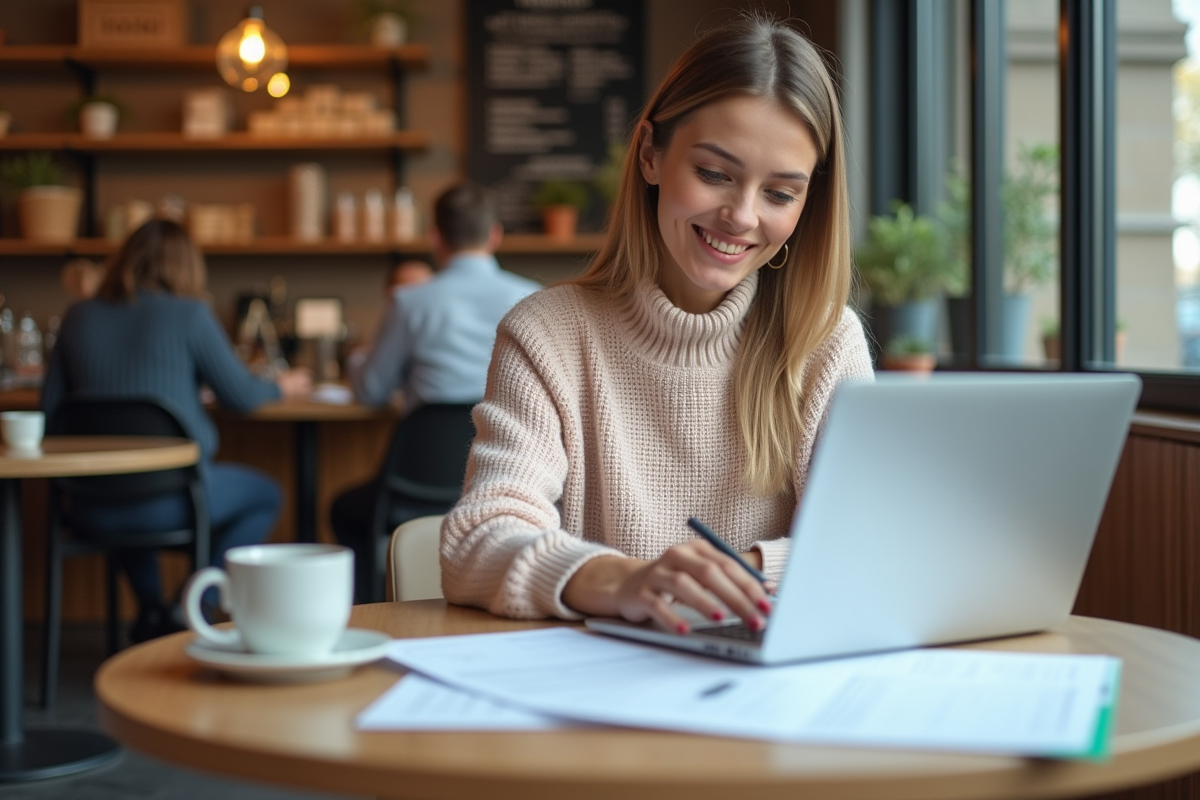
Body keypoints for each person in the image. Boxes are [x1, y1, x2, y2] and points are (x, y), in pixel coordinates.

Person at [440, 15, 874, 633]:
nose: (741, 217)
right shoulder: (547, 335)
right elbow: (476, 541)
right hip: (595, 697)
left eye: (780, 193)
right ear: (650, 153)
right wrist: (623, 581)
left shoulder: (826, 342)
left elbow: (869, 542)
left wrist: (734, 577)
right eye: (715, 174)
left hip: (769, 694)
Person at [41, 218, 311, 642]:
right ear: (187, 266)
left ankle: (152, 611)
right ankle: (193, 605)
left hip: (88, 504)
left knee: (125, 480)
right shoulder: (190, 315)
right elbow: (240, 394)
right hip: (174, 499)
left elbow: (49, 411)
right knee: (267, 494)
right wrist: (283, 385)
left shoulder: (77, 316)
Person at [334, 182, 540, 600]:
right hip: (505, 482)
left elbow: (372, 391)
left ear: (435, 238)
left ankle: (374, 611)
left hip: (415, 482)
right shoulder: (533, 298)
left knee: (344, 510)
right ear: (495, 234)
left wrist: (357, 362)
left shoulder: (410, 302)